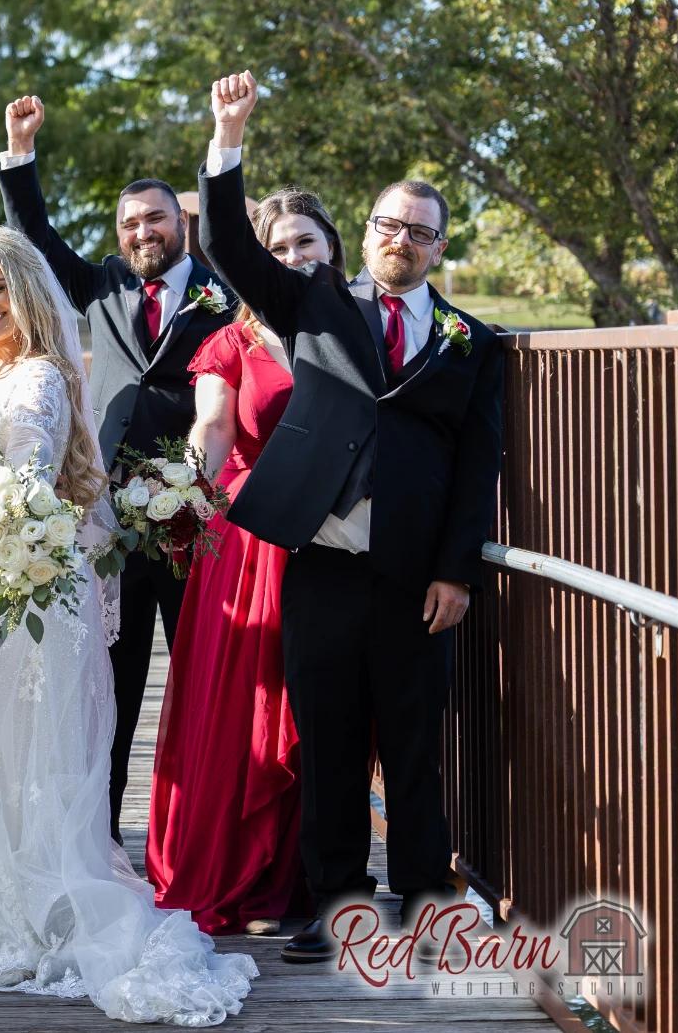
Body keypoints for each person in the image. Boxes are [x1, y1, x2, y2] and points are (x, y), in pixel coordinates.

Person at [0, 225, 258, 1023]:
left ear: (27, 293)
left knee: (31, 757)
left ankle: (35, 925)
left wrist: (12, 532)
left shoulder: (36, 380)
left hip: (23, 591)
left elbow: (28, 477)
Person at [199, 71, 504, 963]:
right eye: (387, 225)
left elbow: (476, 461)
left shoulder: (470, 343)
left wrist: (457, 569)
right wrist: (228, 140)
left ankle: (419, 895)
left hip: (417, 577)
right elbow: (228, 245)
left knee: (414, 742)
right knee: (327, 741)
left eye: (420, 231)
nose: (400, 240)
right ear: (364, 235)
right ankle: (335, 903)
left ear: (439, 249)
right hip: (324, 563)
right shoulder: (316, 300)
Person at [0, 94, 238, 843]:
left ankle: (199, 835)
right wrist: (20, 153)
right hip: (105, 517)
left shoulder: (224, 290)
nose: (142, 232)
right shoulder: (100, 283)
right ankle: (100, 836)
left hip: (194, 516)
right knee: (110, 681)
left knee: (202, 678)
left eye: (155, 219)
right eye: (130, 224)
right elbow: (32, 235)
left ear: (179, 224)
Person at [147, 187, 346, 936]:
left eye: (306, 244)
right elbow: (212, 428)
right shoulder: (230, 343)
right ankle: (234, 862)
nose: (293, 258)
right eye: (278, 248)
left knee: (316, 706)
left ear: (331, 250)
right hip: (251, 537)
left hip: (333, 539)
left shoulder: (353, 326)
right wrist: (184, 487)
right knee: (245, 704)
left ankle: (311, 872)